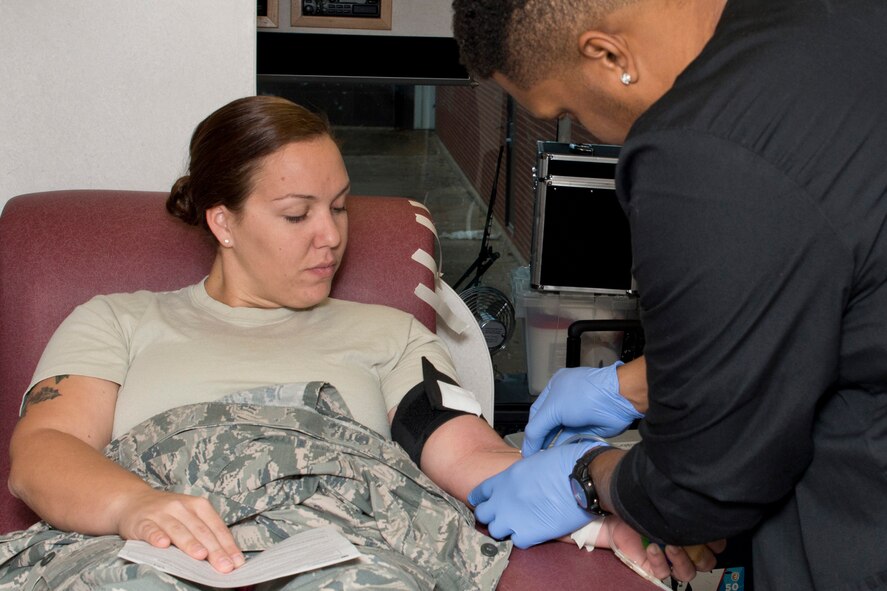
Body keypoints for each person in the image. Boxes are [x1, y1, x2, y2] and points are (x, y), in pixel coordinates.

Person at [3, 95, 676, 588]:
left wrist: (592, 506)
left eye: (340, 205)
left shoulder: (386, 334)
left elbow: (464, 450)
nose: (329, 234)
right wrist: (136, 504)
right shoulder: (118, 320)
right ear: (223, 221)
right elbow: (43, 454)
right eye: (296, 213)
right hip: (152, 549)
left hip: (334, 550)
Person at [453, 0, 887, 589]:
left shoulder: (704, 151)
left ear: (609, 55)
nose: (585, 131)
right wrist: (635, 385)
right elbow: (829, 277)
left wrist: (587, 478)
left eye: (569, 111)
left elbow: (708, 487)